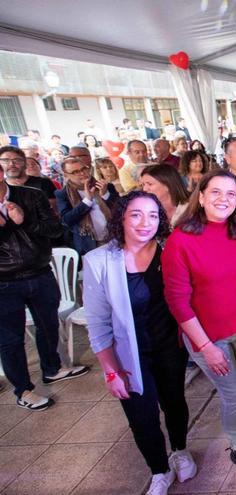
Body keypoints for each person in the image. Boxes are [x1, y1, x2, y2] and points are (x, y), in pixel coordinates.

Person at [83, 191, 196, 495]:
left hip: (170, 346)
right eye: (136, 214)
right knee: (141, 415)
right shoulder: (99, 261)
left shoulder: (169, 250)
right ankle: (159, 470)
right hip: (128, 353)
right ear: (121, 217)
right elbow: (97, 324)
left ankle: (180, 450)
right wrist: (110, 370)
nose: (145, 222)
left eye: (153, 215)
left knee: (174, 402)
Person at [161, 170, 236, 476]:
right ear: (202, 196)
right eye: (216, 192)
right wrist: (206, 347)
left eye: (231, 194)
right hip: (207, 335)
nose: (224, 199)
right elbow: (177, 301)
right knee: (233, 393)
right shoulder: (181, 240)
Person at [0, 146, 89, 411]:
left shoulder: (30, 195)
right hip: (4, 281)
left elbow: (54, 229)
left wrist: (22, 220)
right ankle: (24, 389)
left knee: (48, 324)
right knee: (11, 339)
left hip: (38, 271)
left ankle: (53, 367)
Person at [56, 156, 120, 256]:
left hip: (115, 239)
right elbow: (66, 220)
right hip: (89, 246)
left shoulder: (105, 186)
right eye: (75, 172)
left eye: (83, 169)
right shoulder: (63, 194)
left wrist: (105, 195)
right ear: (66, 175)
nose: (82, 173)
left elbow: (120, 210)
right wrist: (86, 201)